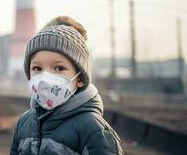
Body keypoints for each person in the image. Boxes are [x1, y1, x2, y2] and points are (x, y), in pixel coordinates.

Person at [10, 16, 123, 155]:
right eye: (37, 69)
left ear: (80, 77)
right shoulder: (24, 123)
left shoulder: (93, 129)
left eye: (59, 68)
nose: (45, 79)